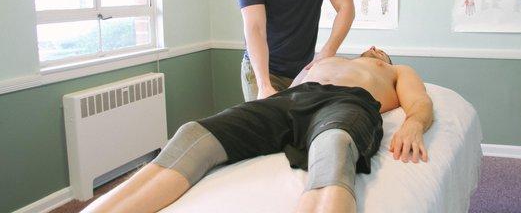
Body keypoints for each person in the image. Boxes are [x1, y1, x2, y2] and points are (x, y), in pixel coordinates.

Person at [82, 46, 434, 213]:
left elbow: (419, 103)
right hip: (293, 98)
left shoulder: (394, 70)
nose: (374, 48)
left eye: (381, 51)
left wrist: (414, 124)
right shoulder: (328, 59)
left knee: (334, 147)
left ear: (383, 59)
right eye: (371, 47)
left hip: (348, 103)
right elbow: (292, 87)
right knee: (193, 133)